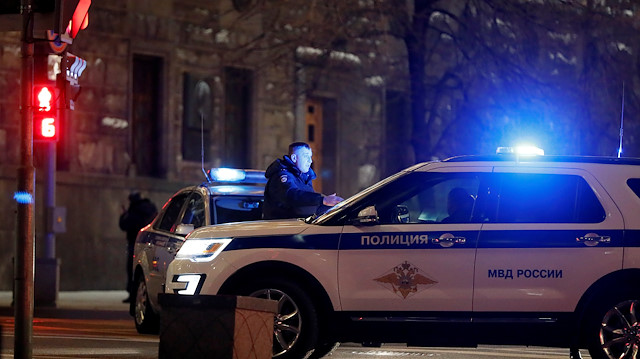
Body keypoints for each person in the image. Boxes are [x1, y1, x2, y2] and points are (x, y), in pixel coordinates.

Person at [263, 142, 343, 219]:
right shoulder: (282, 176)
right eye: (306, 156)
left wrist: (332, 206)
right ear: (294, 158)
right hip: (282, 228)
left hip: (300, 226)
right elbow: (291, 196)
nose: (310, 161)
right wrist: (322, 200)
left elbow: (309, 204)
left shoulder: (304, 176)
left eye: (310, 157)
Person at [119, 191, 157, 303]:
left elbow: (124, 225)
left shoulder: (134, 210)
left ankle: (133, 294)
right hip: (148, 242)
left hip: (134, 243)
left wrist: (123, 214)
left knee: (132, 269)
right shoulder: (150, 208)